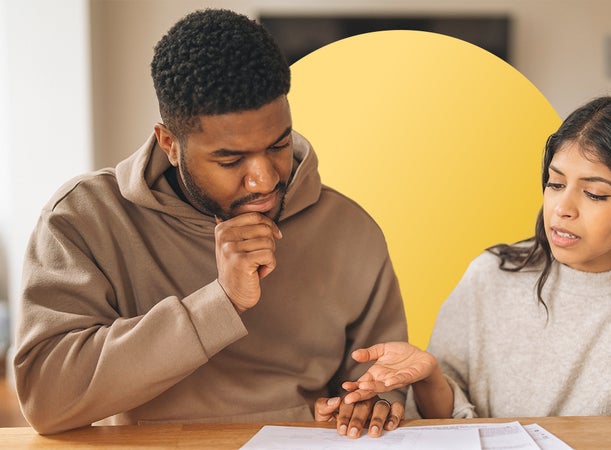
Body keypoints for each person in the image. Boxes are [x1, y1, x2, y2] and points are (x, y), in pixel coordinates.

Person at [317, 95, 611, 448]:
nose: (562, 209)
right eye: (554, 183)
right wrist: (430, 379)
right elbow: (448, 419)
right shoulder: (491, 276)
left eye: (593, 194)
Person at [13, 8, 407, 436]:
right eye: (230, 159)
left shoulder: (348, 227)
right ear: (170, 144)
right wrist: (220, 303)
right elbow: (46, 401)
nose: (265, 179)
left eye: (278, 145)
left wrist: (379, 401)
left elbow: (376, 386)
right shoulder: (84, 219)